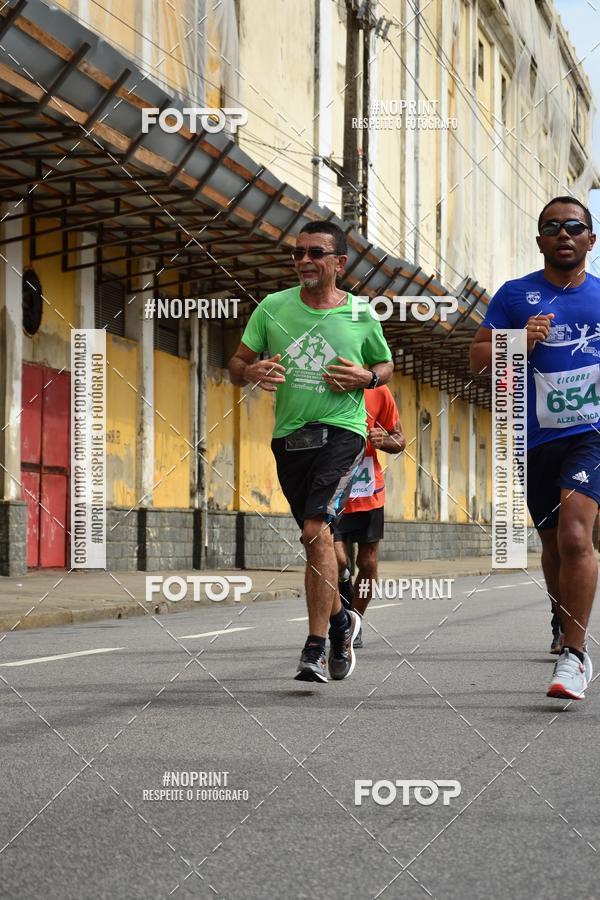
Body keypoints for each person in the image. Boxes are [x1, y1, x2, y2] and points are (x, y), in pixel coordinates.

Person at [228, 221, 393, 682]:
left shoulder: (360, 313)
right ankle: (341, 623)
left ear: (339, 263)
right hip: (290, 439)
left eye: (315, 253)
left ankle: (315, 647)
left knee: (316, 529)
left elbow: (385, 364)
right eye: (298, 252)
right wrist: (250, 371)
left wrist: (368, 378)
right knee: (313, 539)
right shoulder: (272, 307)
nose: (304, 260)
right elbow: (236, 364)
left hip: (343, 433)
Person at [470, 196, 600, 700]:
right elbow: (478, 361)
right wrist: (517, 341)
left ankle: (575, 655)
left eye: (575, 226)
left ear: (590, 239)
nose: (564, 233)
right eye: (553, 226)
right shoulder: (515, 295)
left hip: (591, 434)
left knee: (575, 533)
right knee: (551, 543)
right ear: (540, 239)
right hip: (535, 437)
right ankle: (562, 616)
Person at [334, 384, 405, 647]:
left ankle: (355, 621)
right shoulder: (323, 385)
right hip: (332, 489)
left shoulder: (379, 390)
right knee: (337, 560)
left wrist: (383, 440)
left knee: (368, 562)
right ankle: (343, 586)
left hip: (368, 491)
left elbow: (400, 439)